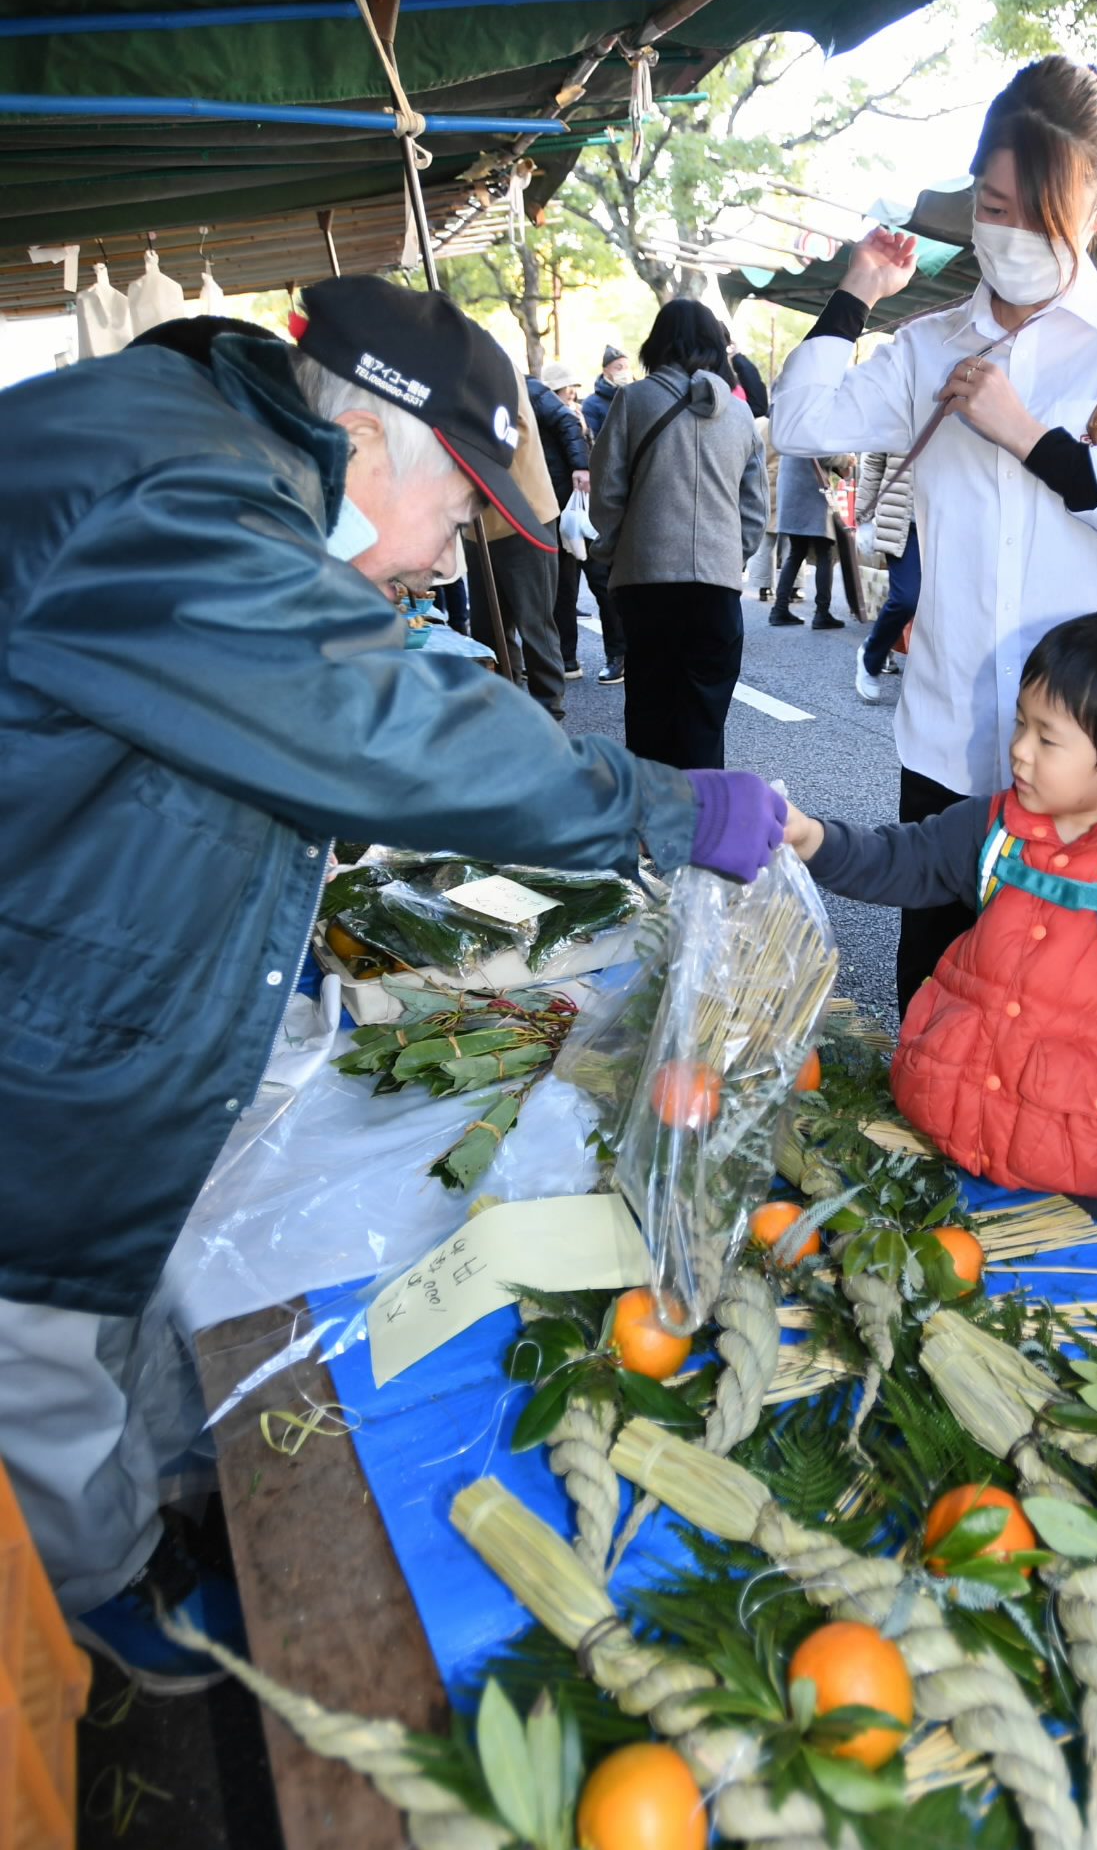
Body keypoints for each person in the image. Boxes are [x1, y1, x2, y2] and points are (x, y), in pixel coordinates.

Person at [0, 275, 786, 1687]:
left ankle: (145, 1522)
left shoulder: (208, 449)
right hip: (28, 1022)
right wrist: (667, 809)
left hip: (54, 935)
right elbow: (375, 715)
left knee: (96, 1288)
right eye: (460, 513)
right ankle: (100, 1595)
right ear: (372, 447)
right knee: (37, 1326)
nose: (446, 558)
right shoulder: (184, 496)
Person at [770, 56, 1097, 1015]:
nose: (1009, 233)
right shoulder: (930, 344)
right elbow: (801, 424)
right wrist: (856, 296)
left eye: (1038, 213)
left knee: (1057, 1013)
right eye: (994, 205)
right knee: (935, 997)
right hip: (948, 747)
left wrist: (1029, 436)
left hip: (1087, 753)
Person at [784, 613, 1097, 1250]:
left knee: (1085, 1307)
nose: (1019, 749)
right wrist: (811, 838)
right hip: (966, 1127)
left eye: (1047, 738)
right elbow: (900, 861)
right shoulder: (994, 826)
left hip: (1092, 1165)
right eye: (1021, 722)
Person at [587, 298, 767, 770]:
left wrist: (612, 550)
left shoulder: (633, 400)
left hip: (646, 581)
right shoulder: (741, 417)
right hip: (717, 586)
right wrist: (730, 554)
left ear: (657, 343)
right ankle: (704, 826)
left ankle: (652, 825)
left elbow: (606, 492)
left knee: (650, 706)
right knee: (705, 714)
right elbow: (755, 511)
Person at [462, 361, 571, 718]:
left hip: (524, 515)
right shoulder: (444, 374)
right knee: (487, 628)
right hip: (478, 523)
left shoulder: (492, 364)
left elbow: (509, 432)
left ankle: (547, 713)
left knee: (534, 623)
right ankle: (505, 709)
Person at [528, 357, 628, 686]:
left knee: (598, 583)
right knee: (564, 589)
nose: (571, 392)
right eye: (566, 387)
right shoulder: (549, 415)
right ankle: (569, 658)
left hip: (583, 511)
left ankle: (617, 655)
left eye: (572, 387)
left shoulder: (573, 415)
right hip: (563, 511)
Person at [853, 449, 917, 702]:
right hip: (903, 523)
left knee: (941, 605)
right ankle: (872, 655)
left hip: (948, 523)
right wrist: (864, 518)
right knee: (906, 598)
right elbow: (874, 463)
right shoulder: (896, 411)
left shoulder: (960, 412)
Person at [769, 450, 849, 630]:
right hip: (811, 492)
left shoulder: (790, 424)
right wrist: (847, 459)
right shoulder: (812, 422)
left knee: (796, 552)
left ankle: (779, 608)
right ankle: (822, 612)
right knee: (824, 552)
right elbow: (823, 455)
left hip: (792, 490)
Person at [581, 343, 630, 439]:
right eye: (619, 368)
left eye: (627, 368)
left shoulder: (637, 398)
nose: (625, 372)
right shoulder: (591, 404)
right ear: (606, 372)